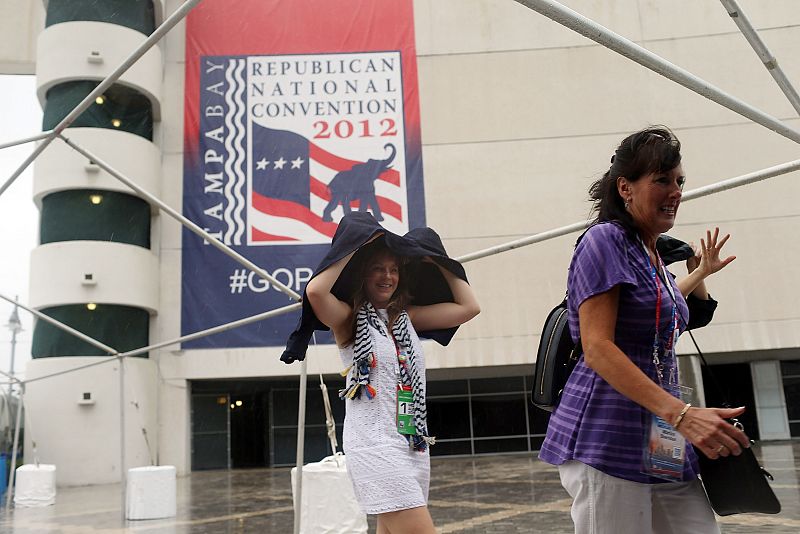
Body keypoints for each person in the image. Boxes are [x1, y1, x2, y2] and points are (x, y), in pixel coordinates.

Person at [539, 126, 750, 534]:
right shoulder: (606, 240)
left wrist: (700, 271)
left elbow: (664, 306)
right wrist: (684, 414)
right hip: (608, 434)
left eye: (679, 181)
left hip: (662, 434)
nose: (675, 191)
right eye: (662, 180)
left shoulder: (648, 250)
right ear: (625, 188)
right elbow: (597, 347)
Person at [305, 228, 480, 534]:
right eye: (377, 268)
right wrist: (354, 247)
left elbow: (468, 307)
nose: (387, 276)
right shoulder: (348, 319)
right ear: (362, 274)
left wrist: (435, 260)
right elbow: (317, 292)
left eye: (394, 269)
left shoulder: (405, 318)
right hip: (374, 445)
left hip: (411, 444)